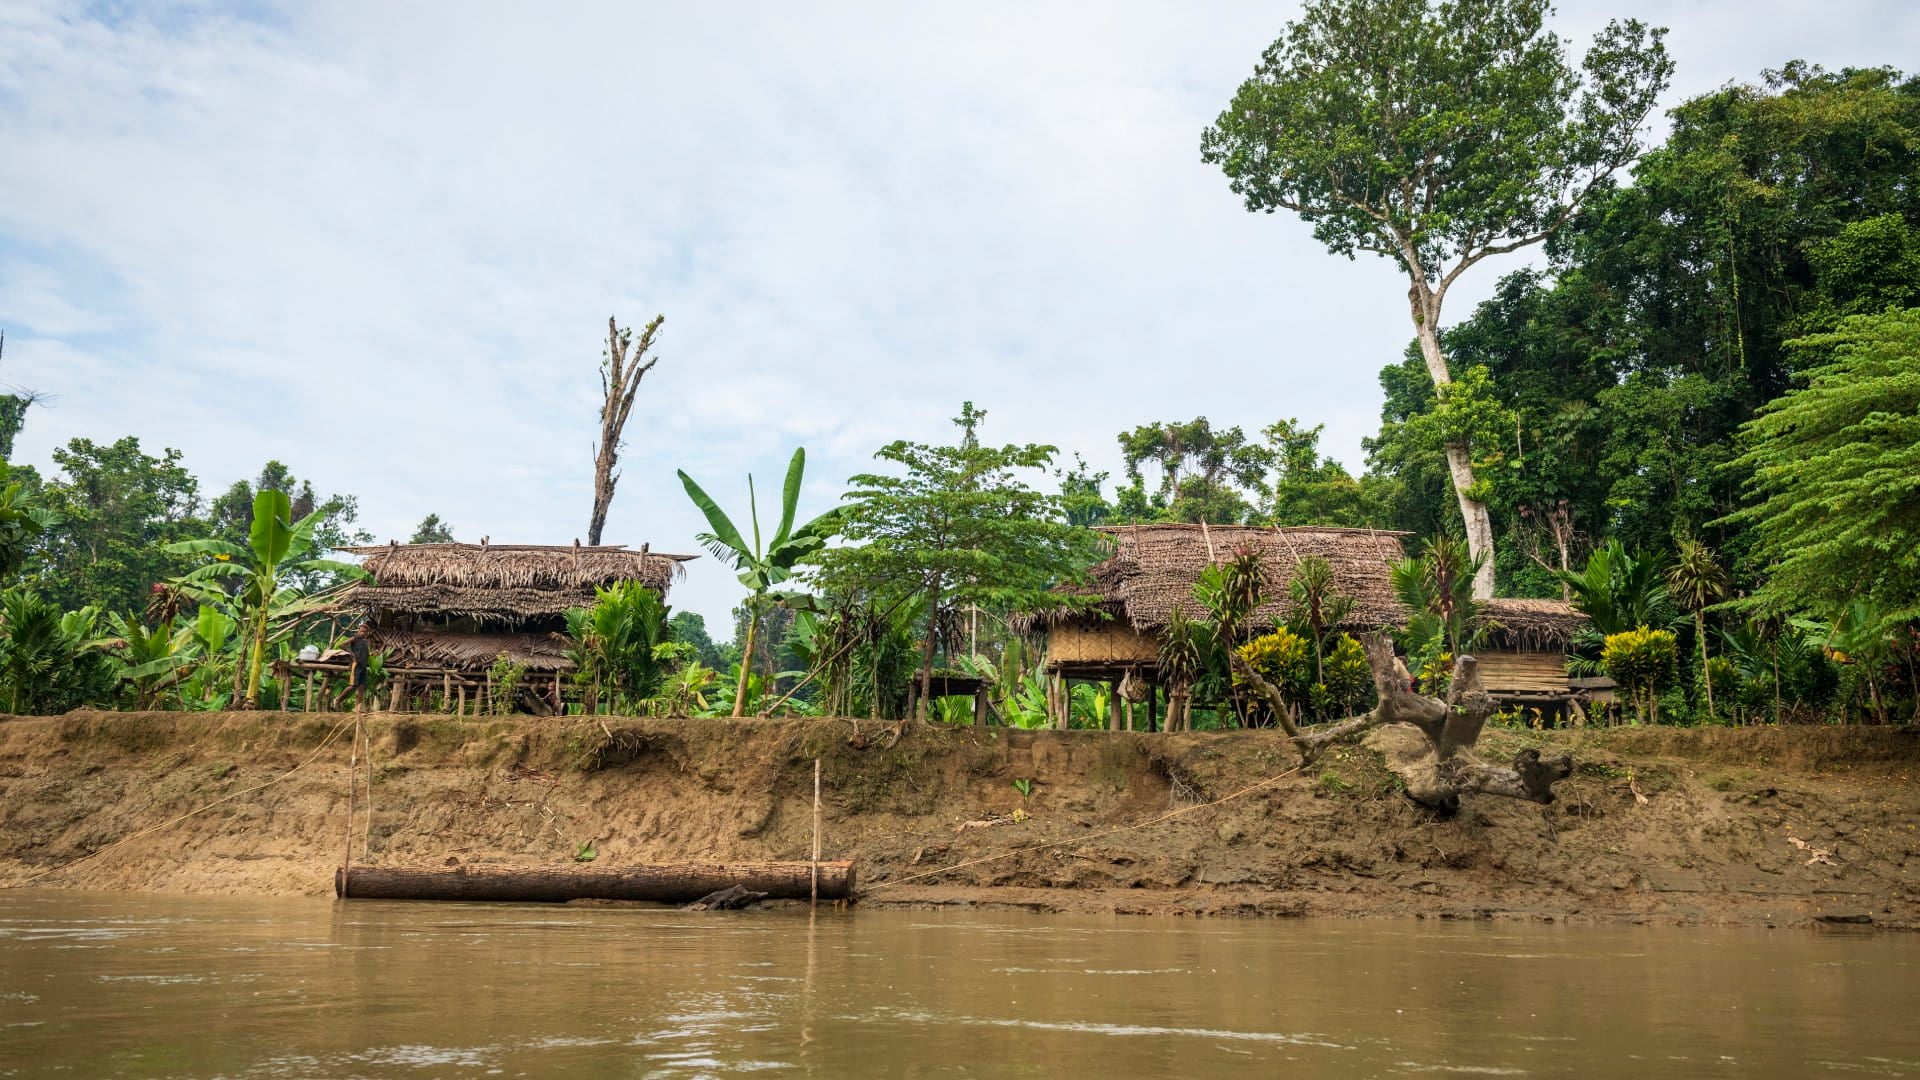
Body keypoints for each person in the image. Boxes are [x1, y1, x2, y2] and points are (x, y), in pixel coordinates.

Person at [347, 624, 373, 712]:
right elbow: (342, 645)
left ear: (367, 633)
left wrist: (372, 654)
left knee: (362, 687)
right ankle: (338, 700)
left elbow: (365, 654)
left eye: (364, 632)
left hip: (363, 666)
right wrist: (351, 654)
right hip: (356, 665)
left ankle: (357, 708)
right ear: (358, 631)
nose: (362, 633)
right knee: (353, 686)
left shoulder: (365, 642)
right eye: (361, 631)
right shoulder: (354, 639)